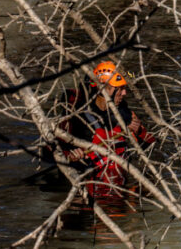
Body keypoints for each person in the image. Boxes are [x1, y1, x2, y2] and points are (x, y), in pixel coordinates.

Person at [54, 61, 154, 194]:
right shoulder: (76, 116)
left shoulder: (126, 114)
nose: (124, 93)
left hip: (120, 184)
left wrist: (139, 131)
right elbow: (54, 150)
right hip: (88, 186)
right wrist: (71, 155)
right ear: (103, 89)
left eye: (124, 88)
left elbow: (150, 145)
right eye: (120, 88)